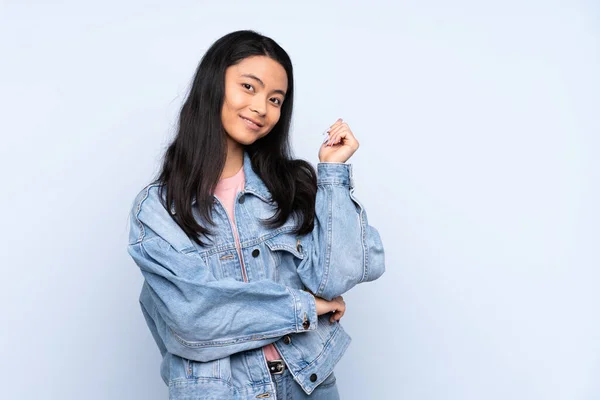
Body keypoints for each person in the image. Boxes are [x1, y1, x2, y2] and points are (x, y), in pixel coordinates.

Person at [126, 30, 385, 400]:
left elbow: (338, 274)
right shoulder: (157, 211)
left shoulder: (291, 187)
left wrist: (331, 175)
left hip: (307, 385)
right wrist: (303, 307)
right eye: (249, 87)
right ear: (214, 85)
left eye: (275, 99)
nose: (262, 107)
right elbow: (196, 318)